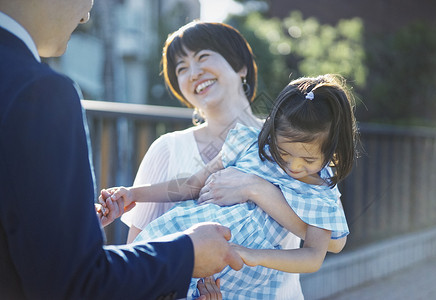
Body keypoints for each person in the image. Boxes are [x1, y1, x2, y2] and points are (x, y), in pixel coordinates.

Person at [0, 1, 243, 299]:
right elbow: (76, 280)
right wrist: (188, 253)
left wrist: (77, 225)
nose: (87, 14)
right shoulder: (37, 91)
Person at [120, 20, 346, 299]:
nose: (193, 72)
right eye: (181, 68)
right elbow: (138, 261)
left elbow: (333, 242)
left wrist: (256, 188)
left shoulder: (299, 138)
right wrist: (131, 194)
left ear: (241, 66)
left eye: (203, 57)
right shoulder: (167, 148)